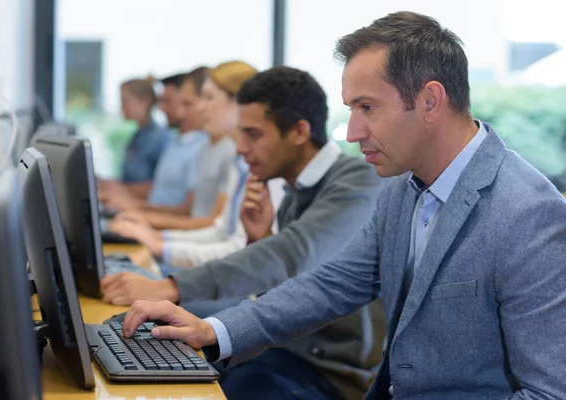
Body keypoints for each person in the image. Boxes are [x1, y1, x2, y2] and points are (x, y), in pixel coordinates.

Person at [118, 11, 566, 400]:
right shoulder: (401, 185)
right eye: (351, 108)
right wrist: (214, 330)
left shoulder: (527, 214)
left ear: (430, 100)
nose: (352, 132)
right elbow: (331, 284)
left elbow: (549, 391)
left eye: (367, 107)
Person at [101, 66, 386, 400]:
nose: (239, 148)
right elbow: (295, 277)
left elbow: (292, 255)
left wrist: (170, 287)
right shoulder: (295, 188)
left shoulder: (357, 182)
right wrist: (259, 238)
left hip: (326, 372)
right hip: (284, 350)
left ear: (298, 132)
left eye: (253, 134)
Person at [108, 61, 259, 269]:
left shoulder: (243, 160)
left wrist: (159, 242)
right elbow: (220, 231)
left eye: (209, 98)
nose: (201, 107)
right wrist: (158, 238)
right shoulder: (235, 160)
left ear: (238, 102)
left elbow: (233, 244)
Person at [100, 67, 210, 212]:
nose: (162, 108)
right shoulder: (174, 141)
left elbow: (187, 210)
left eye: (186, 103)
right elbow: (159, 193)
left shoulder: (195, 145)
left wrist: (132, 204)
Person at [118, 78, 169, 183]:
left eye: (125, 101)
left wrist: (118, 189)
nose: (122, 108)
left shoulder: (160, 139)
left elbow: (159, 187)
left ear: (145, 102)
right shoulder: (137, 136)